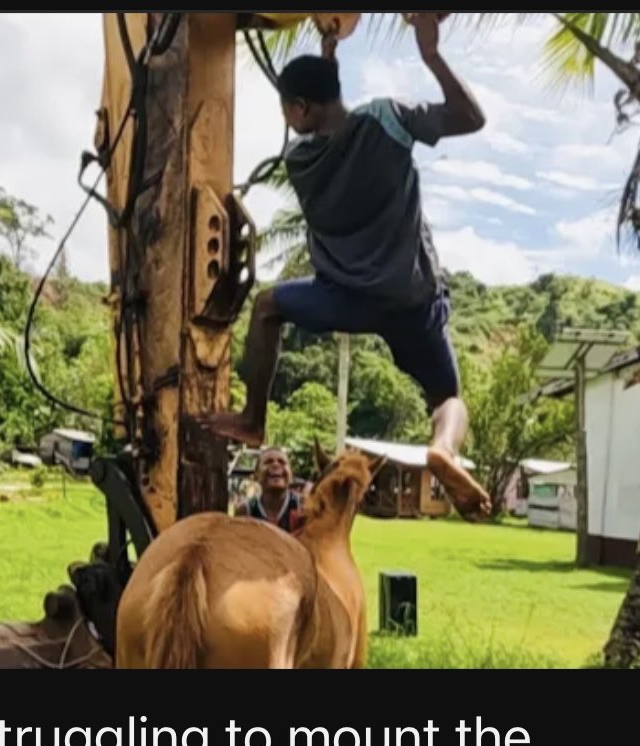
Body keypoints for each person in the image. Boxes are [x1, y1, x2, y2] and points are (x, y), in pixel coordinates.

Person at [203, 13, 492, 521]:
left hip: (345, 299)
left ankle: (252, 417)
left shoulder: (301, 161)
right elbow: (471, 118)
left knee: (268, 307)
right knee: (447, 399)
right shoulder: (389, 119)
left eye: (288, 108)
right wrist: (431, 54)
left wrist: (328, 53)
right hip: (411, 299)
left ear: (299, 108)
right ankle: (443, 449)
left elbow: (326, 123)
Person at [234, 447, 305, 533]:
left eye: (282, 462)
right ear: (256, 475)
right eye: (268, 462)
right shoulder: (245, 510)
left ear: (291, 474)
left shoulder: (303, 506)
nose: (276, 465)